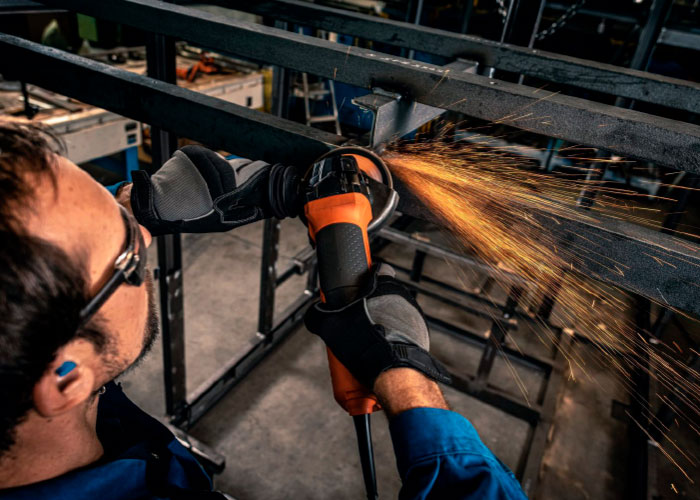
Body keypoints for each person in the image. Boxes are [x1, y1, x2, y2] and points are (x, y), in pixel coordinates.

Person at [0, 121, 527, 499]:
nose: (144, 236)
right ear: (66, 375)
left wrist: (128, 206)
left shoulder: (26, 372)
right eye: (127, 256)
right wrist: (409, 382)